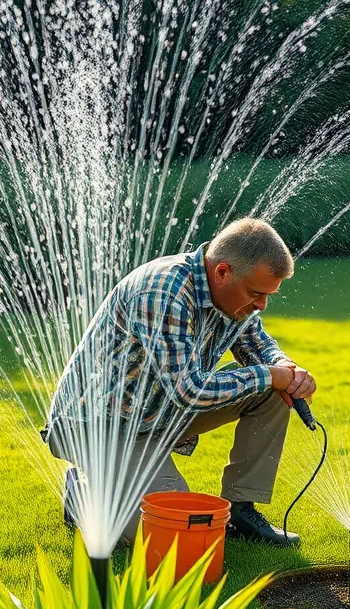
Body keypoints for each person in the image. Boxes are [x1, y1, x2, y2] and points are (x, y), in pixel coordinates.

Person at [44, 217, 316, 548]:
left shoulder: (233, 299)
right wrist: (270, 374)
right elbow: (189, 391)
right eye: (256, 294)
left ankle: (242, 510)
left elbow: (260, 349)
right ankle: (82, 498)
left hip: (159, 415)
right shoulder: (164, 293)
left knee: (272, 391)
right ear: (222, 272)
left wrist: (285, 367)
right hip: (98, 428)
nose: (261, 305)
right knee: (172, 536)